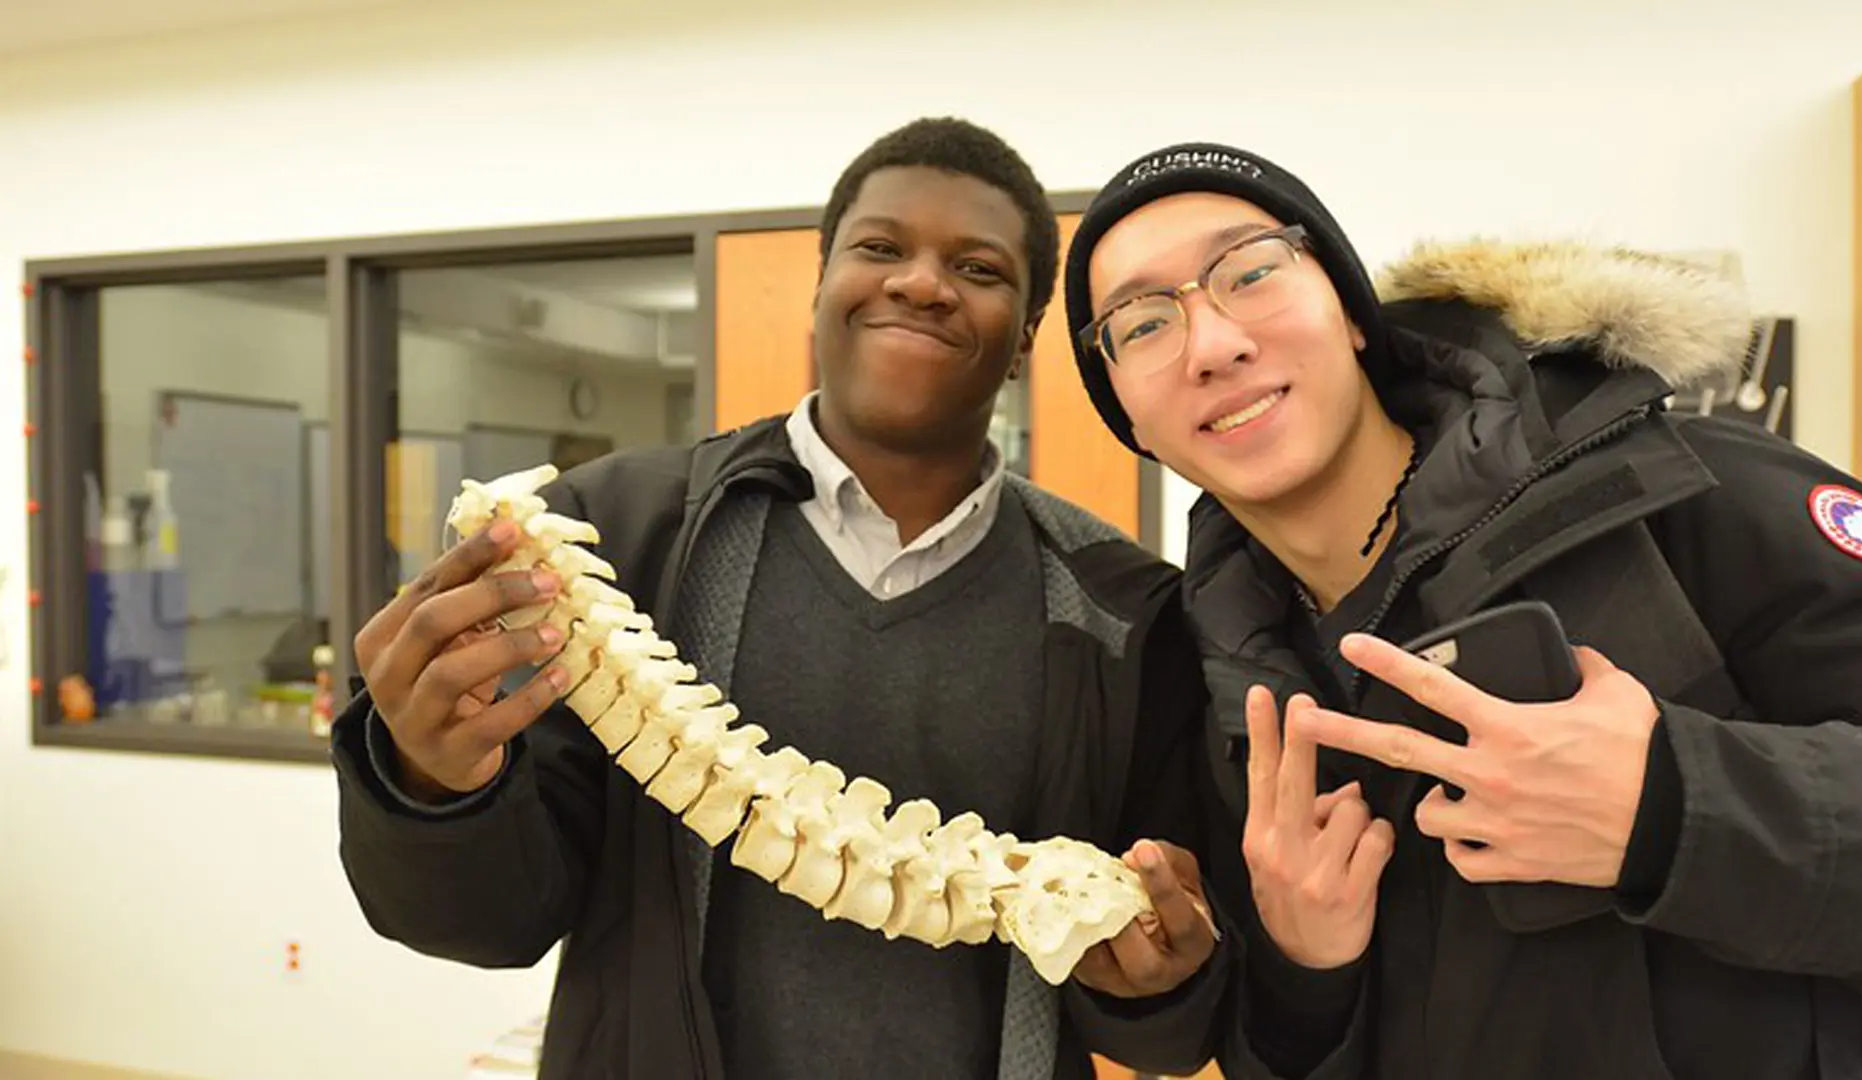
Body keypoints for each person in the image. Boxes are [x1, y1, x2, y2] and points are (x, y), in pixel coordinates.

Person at [332, 117, 1228, 1080]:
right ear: (821, 289)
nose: (920, 282)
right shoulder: (615, 533)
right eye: (881, 248)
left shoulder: (1129, 613)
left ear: (1024, 341)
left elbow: (1161, 1022)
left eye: (977, 268)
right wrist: (428, 785)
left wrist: (1158, 984)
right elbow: (491, 923)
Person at [1061, 141, 1862, 1080]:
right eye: (1141, 325)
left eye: (1253, 271)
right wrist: (1308, 972)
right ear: (1130, 420)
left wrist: (1674, 806)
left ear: (1350, 313)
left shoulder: (1677, 492)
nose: (1215, 345)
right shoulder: (1203, 676)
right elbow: (1243, 1042)